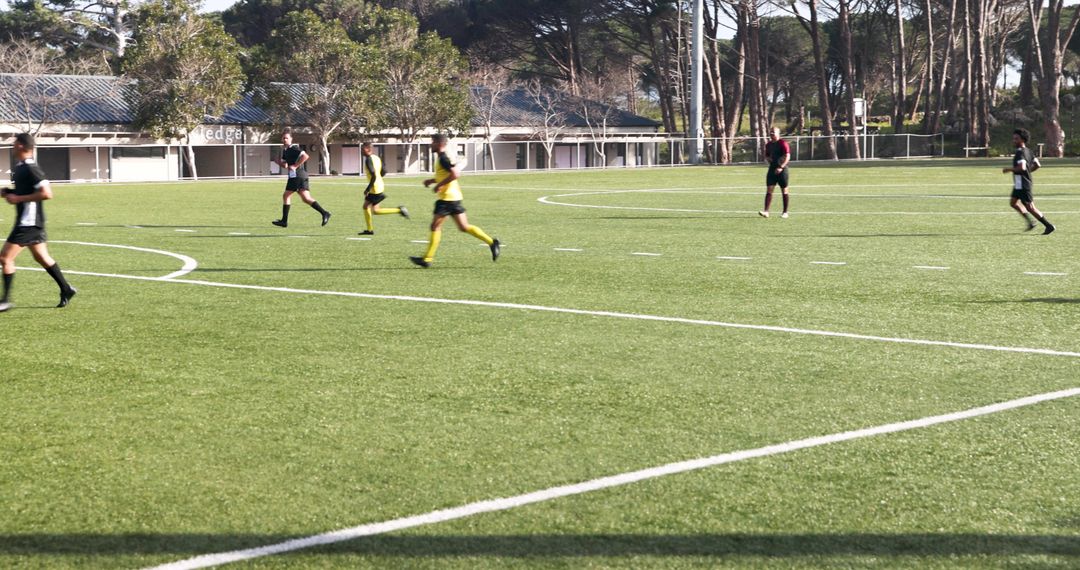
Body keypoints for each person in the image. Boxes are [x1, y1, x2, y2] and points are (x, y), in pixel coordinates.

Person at [0, 133, 76, 312]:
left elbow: (47, 193)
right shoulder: (20, 167)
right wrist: (8, 192)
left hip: (29, 222)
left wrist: (18, 199)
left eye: (14, 143)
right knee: (41, 257)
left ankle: (5, 300)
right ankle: (66, 289)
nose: (12, 146)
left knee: (5, 257)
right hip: (30, 221)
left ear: (20, 145)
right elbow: (23, 191)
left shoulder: (31, 167)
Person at [409, 134, 500, 268]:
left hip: (447, 199)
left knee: (435, 226)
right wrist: (432, 180)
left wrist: (439, 185)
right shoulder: (441, 157)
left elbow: (455, 174)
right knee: (464, 227)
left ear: (439, 144)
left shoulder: (444, 158)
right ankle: (492, 242)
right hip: (453, 197)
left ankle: (427, 259)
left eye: (433, 142)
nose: (431, 144)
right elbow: (446, 174)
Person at [271, 129, 331, 228]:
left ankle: (284, 221)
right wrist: (278, 162)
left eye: (286, 138)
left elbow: (305, 156)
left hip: (298, 175)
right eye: (283, 138)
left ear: (291, 139)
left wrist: (295, 166)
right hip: (296, 176)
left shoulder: (294, 148)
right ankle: (325, 213)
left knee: (286, 195)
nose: (284, 140)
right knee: (305, 198)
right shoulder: (286, 151)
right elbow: (286, 165)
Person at [1003, 128, 1054, 235]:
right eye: (1013, 138)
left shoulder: (1020, 153)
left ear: (1022, 140)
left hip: (1023, 184)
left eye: (1016, 139)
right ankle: (1030, 222)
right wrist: (1028, 172)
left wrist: (1009, 169)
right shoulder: (1029, 151)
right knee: (1013, 203)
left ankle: (1048, 225)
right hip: (1019, 183)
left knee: (1030, 207)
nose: (1014, 140)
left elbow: (1021, 167)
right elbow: (1038, 165)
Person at [358, 142, 409, 235]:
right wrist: (378, 178)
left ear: (369, 149)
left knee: (369, 208)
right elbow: (384, 170)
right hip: (379, 185)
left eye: (363, 149)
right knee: (373, 209)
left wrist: (368, 188)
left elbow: (373, 174)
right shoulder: (376, 158)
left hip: (375, 188)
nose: (361, 151)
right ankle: (399, 210)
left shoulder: (368, 159)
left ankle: (370, 230)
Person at [759, 127, 791, 219]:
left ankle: (785, 212)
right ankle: (766, 211)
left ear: (778, 133)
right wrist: (769, 160)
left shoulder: (783, 143)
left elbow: (787, 156)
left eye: (773, 132)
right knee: (769, 190)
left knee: (784, 190)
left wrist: (781, 167)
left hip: (782, 170)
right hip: (772, 170)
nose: (771, 133)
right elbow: (767, 155)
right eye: (771, 132)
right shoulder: (768, 144)